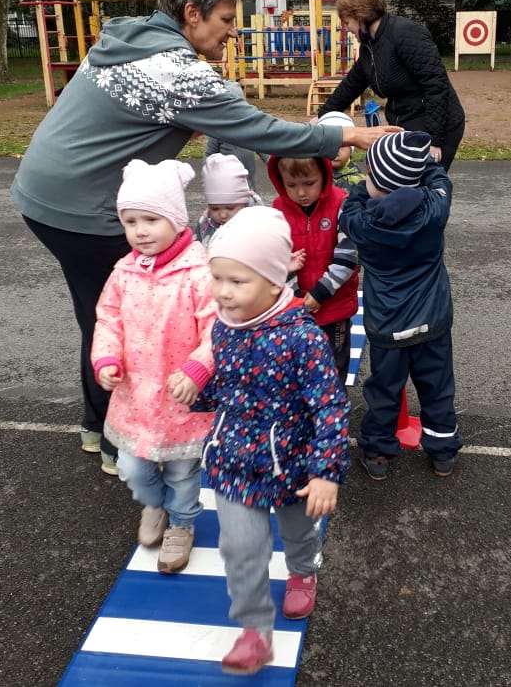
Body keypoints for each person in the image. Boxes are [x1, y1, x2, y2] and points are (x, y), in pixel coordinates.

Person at [10, 0, 400, 475]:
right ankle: (122, 442)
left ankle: (96, 425)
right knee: (134, 318)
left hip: (45, 193)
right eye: (226, 19)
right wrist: (349, 134)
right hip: (83, 210)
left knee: (102, 312)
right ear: (192, 14)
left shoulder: (131, 40)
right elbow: (260, 130)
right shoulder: (174, 69)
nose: (234, 32)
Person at [194, 207, 349, 676]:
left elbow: (329, 407)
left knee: (298, 532)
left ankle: (303, 570)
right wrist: (197, 392)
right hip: (234, 461)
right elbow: (228, 389)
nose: (223, 291)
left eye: (237, 281)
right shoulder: (224, 327)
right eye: (217, 278)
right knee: (240, 549)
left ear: (274, 280)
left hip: (292, 466)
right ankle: (254, 630)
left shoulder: (303, 339)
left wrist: (325, 472)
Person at [91, 159, 216, 573]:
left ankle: (182, 522)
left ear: (176, 221)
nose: (140, 231)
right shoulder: (123, 272)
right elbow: (108, 319)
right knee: (132, 465)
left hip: (181, 399)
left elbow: (217, 327)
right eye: (131, 221)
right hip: (136, 398)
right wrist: (106, 357)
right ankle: (154, 504)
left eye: (151, 220)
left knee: (182, 471)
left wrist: (199, 367)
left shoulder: (199, 273)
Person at [337, 131, 464, 481]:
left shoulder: (361, 222)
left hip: (387, 326)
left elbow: (351, 203)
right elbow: (440, 180)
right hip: (433, 320)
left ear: (373, 179)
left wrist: (365, 186)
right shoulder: (435, 209)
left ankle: (377, 451)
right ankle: (443, 451)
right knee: (437, 388)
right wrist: (422, 161)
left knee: (385, 390)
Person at [318, 0, 466, 173]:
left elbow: (436, 85)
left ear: (359, 15)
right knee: (398, 183)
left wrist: (433, 140)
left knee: (424, 185)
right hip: (407, 124)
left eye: (347, 22)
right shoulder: (369, 47)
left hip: (438, 125)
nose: (347, 29)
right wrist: (321, 119)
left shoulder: (406, 34)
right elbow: (351, 85)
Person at [266, 151, 359, 384]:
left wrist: (320, 293)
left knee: (333, 368)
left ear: (324, 175)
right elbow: (275, 257)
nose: (301, 193)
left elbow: (348, 256)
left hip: (334, 306)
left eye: (309, 183)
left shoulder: (341, 203)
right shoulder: (278, 210)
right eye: (291, 185)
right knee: (297, 367)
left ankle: (334, 406)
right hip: (295, 308)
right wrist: (296, 298)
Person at [204, 79, 267, 190]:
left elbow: (265, 151)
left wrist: (276, 166)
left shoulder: (250, 129)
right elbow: (209, 156)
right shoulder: (217, 131)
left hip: (248, 187)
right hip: (224, 188)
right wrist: (208, 178)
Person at [193, 153, 264, 246]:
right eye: (215, 208)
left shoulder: (258, 224)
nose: (223, 215)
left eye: (230, 208)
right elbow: (195, 247)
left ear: (245, 203)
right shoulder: (205, 223)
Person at [316, 111, 366, 192]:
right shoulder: (310, 177)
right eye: (329, 144)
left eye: (342, 145)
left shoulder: (360, 182)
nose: (335, 151)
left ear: (351, 149)